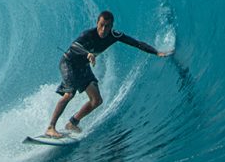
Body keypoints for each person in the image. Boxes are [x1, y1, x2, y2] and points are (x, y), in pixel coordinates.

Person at [45, 10, 173, 138]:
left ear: (112, 26)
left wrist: (156, 52)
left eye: (107, 26)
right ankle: (50, 128)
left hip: (83, 66)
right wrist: (87, 53)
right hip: (69, 63)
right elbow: (74, 46)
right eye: (101, 25)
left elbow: (137, 43)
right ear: (97, 23)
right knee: (69, 94)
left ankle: (72, 123)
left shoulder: (114, 35)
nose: (103, 29)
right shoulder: (88, 34)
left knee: (96, 100)